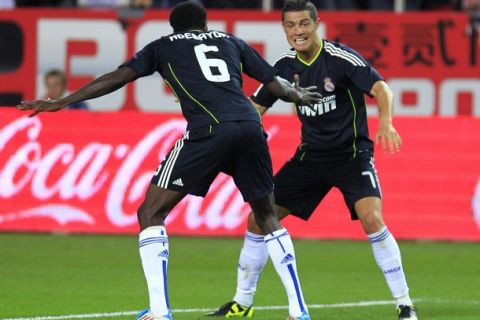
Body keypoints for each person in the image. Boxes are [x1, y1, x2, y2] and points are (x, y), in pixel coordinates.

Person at [17, 2, 322, 320]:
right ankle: (298, 311)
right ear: (205, 23)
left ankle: (160, 311)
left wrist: (64, 101)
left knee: (151, 211)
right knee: (268, 217)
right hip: (250, 126)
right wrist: (297, 96)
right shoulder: (231, 41)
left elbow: (118, 77)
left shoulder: (162, 46)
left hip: (209, 129)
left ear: (173, 27)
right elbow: (277, 86)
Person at [206, 1, 418, 320]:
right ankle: (242, 303)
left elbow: (380, 87)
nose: (298, 32)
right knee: (257, 219)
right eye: (291, 26)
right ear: (284, 30)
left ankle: (404, 304)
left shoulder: (339, 58)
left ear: (317, 24)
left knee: (371, 218)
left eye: (304, 24)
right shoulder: (282, 67)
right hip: (310, 158)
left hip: (351, 155)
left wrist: (385, 121)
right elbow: (256, 107)